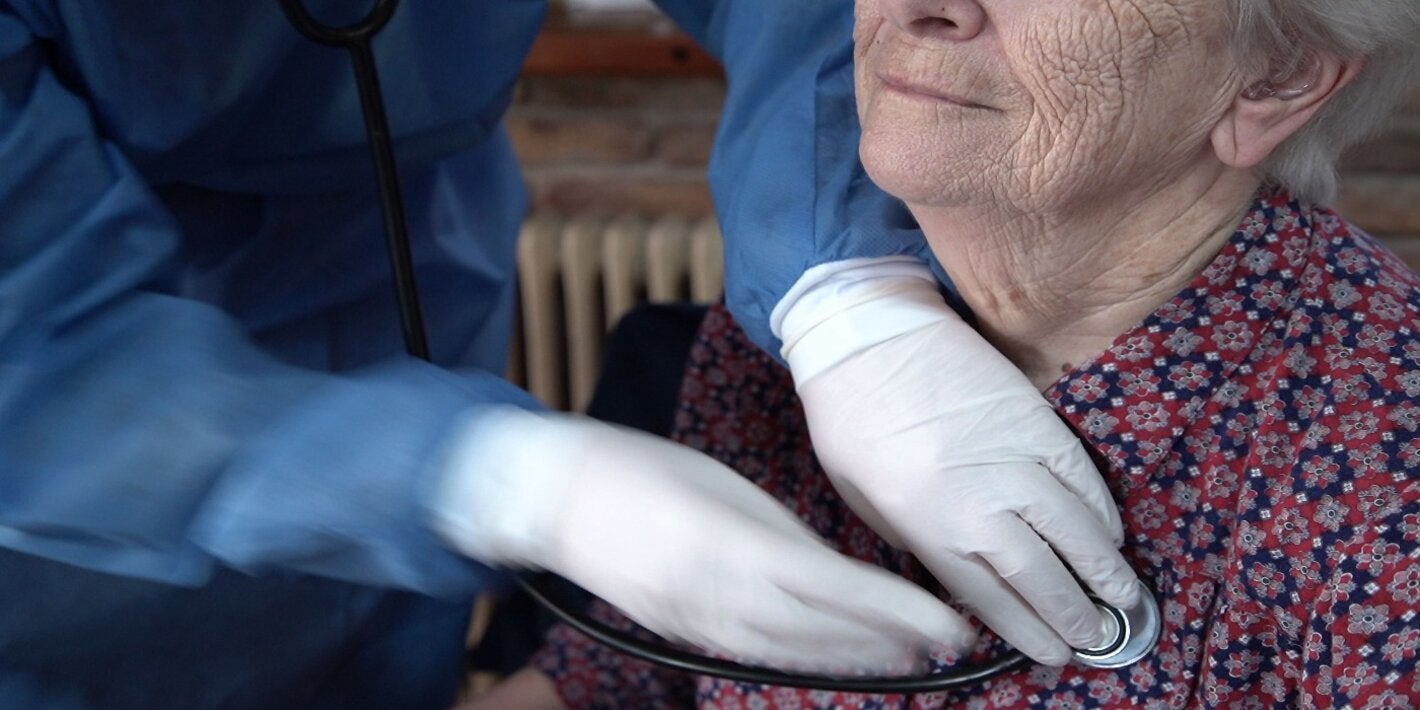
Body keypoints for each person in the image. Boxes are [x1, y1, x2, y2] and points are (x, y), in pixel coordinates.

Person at [0, 1, 1139, 707]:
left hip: (405, 260)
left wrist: (852, 296)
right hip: (70, 536)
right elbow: (39, 369)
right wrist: (491, 480)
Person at [480, 0, 1420, 706]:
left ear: (1278, 79)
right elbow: (613, 675)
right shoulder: (800, 343)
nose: (928, 4)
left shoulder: (1382, 483)